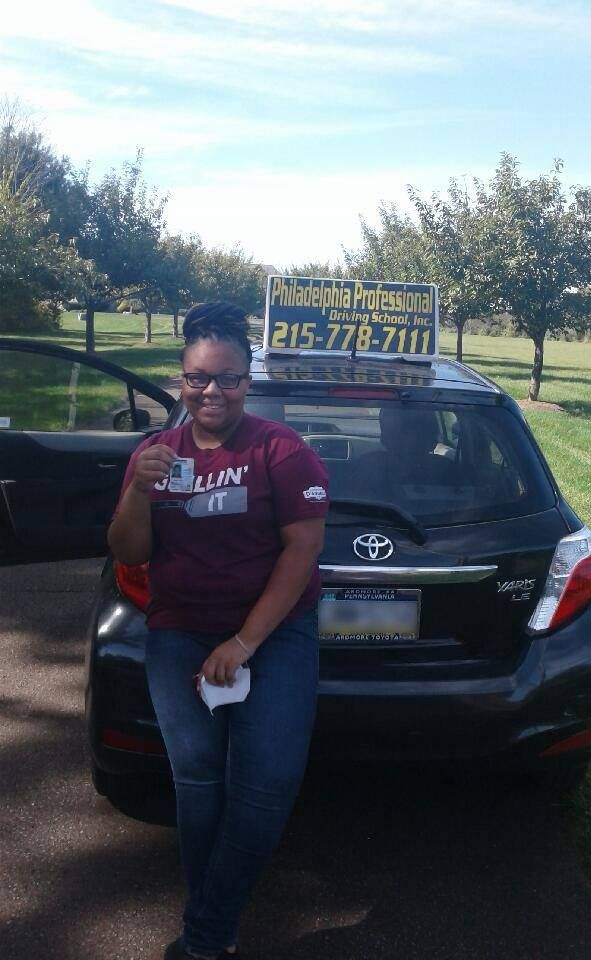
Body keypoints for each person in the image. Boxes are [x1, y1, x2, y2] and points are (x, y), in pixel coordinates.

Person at [108, 302, 329, 960]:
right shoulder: (155, 454)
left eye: (227, 378)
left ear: (248, 378)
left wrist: (243, 644)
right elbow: (127, 551)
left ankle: (203, 931)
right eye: (198, 378)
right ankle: (215, 919)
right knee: (199, 781)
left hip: (274, 634)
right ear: (181, 379)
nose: (212, 392)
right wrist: (137, 493)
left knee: (265, 786)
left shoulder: (281, 451)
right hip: (179, 630)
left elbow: (300, 554)